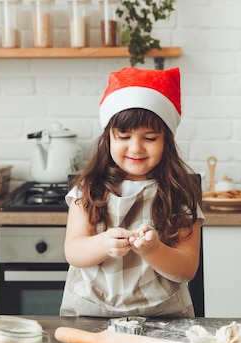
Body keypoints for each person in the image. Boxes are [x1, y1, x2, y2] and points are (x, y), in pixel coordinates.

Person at [60, 66, 204, 318]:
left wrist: (153, 250)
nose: (135, 148)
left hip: (162, 317)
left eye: (149, 138)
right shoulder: (88, 190)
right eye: (124, 136)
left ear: (166, 141)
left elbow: (187, 268)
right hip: (90, 314)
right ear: (109, 139)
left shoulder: (179, 194)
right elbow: (73, 252)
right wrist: (103, 243)